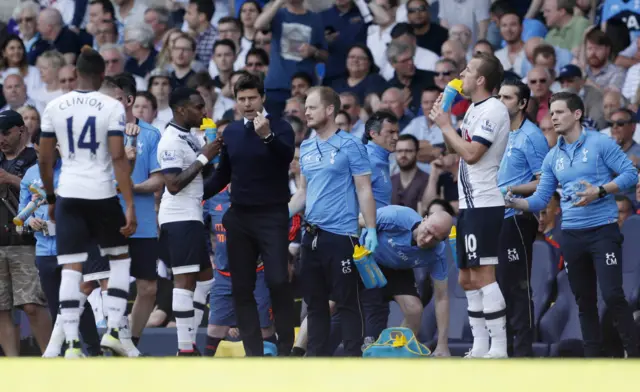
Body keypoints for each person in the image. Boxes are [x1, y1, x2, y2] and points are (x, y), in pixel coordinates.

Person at [506, 92, 640, 358]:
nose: (553, 117)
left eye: (559, 112)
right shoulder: (552, 157)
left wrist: (600, 191)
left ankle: (634, 354)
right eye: (551, 113)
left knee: (613, 295)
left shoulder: (600, 143)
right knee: (584, 299)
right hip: (572, 234)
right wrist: (513, 202)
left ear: (577, 114)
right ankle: (592, 360)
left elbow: (631, 174)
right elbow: (542, 198)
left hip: (603, 230)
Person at [37, 48, 137, 358]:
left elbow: (44, 157)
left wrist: (52, 197)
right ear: (102, 74)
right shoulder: (111, 106)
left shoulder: (54, 106)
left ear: (76, 71)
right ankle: (116, 331)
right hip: (102, 192)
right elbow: (118, 156)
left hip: (69, 192)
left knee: (71, 266)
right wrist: (130, 203)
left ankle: (70, 343)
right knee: (119, 259)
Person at [203, 74, 296, 356]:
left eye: (252, 98)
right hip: (240, 217)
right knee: (241, 288)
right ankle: (254, 352)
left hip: (273, 215)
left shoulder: (280, 127)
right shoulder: (230, 132)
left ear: (263, 97)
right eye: (241, 99)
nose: (247, 104)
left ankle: (285, 343)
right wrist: (197, 194)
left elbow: (286, 157)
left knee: (278, 280)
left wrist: (267, 136)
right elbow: (223, 174)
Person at [429, 52, 510, 358]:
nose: (460, 73)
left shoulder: (493, 109)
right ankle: (480, 345)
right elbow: (454, 148)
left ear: (481, 80)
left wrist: (446, 125)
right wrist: (443, 120)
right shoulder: (473, 110)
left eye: (468, 70)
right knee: (466, 275)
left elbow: (473, 153)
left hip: (485, 201)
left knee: (484, 274)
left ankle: (499, 348)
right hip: (469, 203)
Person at [288, 86, 378, 357]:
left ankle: (352, 359)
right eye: (305, 107)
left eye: (312, 107)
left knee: (347, 303)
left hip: (341, 236)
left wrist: (371, 228)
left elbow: (364, 189)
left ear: (330, 110)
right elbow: (303, 192)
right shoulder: (305, 146)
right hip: (310, 236)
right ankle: (315, 360)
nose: (306, 112)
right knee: (314, 304)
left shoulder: (350, 145)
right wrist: (282, 214)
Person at [100, 73, 165, 354]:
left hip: (144, 223)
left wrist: (132, 186)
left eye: (112, 100)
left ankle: (130, 342)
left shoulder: (151, 134)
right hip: (107, 219)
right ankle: (118, 339)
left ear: (128, 100)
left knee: (148, 288)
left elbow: (159, 179)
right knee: (107, 283)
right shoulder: (98, 134)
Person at [156, 87, 221, 356]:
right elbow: (172, 184)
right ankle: (185, 349)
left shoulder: (190, 138)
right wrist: (205, 155)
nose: (203, 112)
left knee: (206, 281)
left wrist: (215, 156)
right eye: (198, 107)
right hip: (178, 217)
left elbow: (199, 179)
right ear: (181, 109)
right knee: (184, 281)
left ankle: (188, 342)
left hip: (192, 216)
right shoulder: (170, 140)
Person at [496, 80, 549, 357]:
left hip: (517, 216)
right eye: (499, 96)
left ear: (522, 103)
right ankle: (501, 350)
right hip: (494, 217)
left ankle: (523, 353)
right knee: (497, 287)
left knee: (515, 287)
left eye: (507, 97)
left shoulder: (532, 136)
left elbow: (543, 182)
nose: (500, 101)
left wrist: (511, 189)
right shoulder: (500, 132)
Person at [363, 206, 453, 356]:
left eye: (435, 238)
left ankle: (396, 354)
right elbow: (357, 221)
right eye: (428, 231)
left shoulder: (437, 254)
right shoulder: (397, 217)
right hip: (368, 261)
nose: (427, 239)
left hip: (399, 268)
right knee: (335, 305)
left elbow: (442, 297)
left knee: (414, 309)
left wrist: (442, 345)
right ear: (424, 219)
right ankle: (310, 352)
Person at [204, 186, 276, 356]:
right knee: (215, 328)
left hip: (256, 272)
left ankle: (270, 373)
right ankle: (203, 375)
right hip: (223, 274)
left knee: (263, 327)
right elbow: (198, 225)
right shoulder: (213, 197)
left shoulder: (259, 195)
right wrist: (208, 254)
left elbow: (281, 224)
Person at [360, 110, 399, 344]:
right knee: (374, 303)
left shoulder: (381, 160)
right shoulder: (366, 160)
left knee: (374, 302)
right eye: (389, 132)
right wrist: (367, 227)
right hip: (364, 243)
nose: (395, 137)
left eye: (397, 132)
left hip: (377, 241)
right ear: (373, 134)